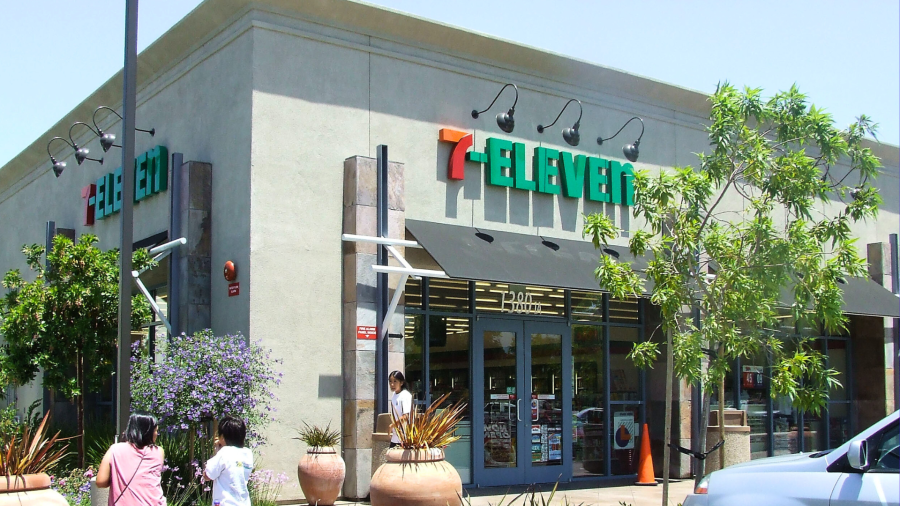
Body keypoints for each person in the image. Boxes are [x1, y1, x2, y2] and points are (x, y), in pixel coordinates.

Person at [95, 412, 165, 506]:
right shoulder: (158, 452)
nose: (157, 434)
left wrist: (117, 480)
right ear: (148, 432)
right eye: (156, 431)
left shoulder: (115, 450)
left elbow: (100, 482)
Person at [203, 416, 253, 506]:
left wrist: (217, 450)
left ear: (222, 437)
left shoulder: (224, 452)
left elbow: (207, 475)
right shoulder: (248, 453)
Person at [388, 370, 412, 448]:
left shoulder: (405, 395)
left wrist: (393, 425)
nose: (392, 384)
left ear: (401, 383)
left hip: (405, 438)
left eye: (395, 381)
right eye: (390, 381)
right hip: (395, 437)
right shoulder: (394, 395)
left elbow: (406, 416)